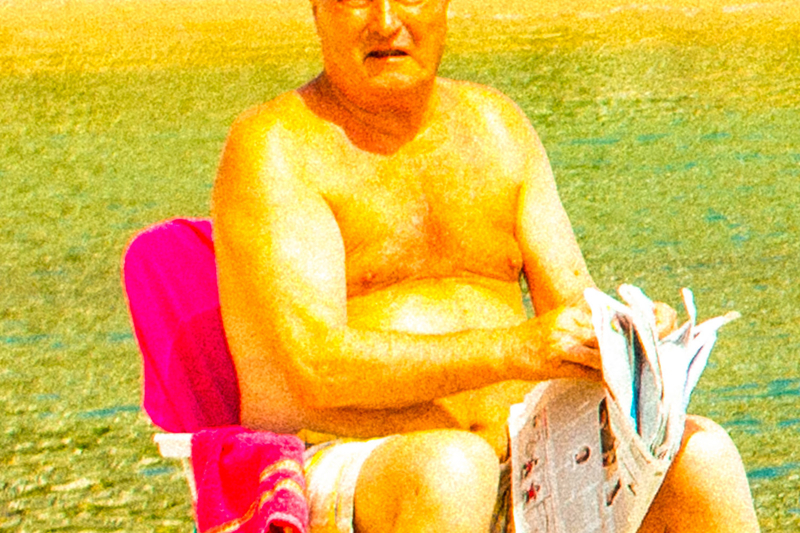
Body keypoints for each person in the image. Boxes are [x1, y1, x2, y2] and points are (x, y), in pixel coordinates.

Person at [211, 0, 760, 531]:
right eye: (354, 0)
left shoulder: (496, 125)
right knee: (455, 469)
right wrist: (516, 349)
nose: (385, 21)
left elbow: (571, 303)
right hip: (350, 458)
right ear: (316, 9)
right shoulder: (277, 144)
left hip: (527, 459)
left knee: (704, 456)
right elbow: (316, 370)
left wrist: (627, 334)